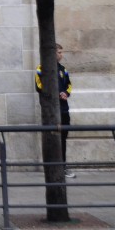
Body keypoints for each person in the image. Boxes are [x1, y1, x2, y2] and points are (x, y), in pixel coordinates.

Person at [35, 43, 74, 178]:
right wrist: (55, 93)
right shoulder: (41, 68)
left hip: (63, 109)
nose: (61, 55)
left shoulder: (63, 69)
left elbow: (69, 85)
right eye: (59, 52)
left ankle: (63, 166)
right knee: (52, 138)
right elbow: (39, 86)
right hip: (52, 110)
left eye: (61, 52)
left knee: (63, 138)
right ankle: (53, 166)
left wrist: (65, 94)